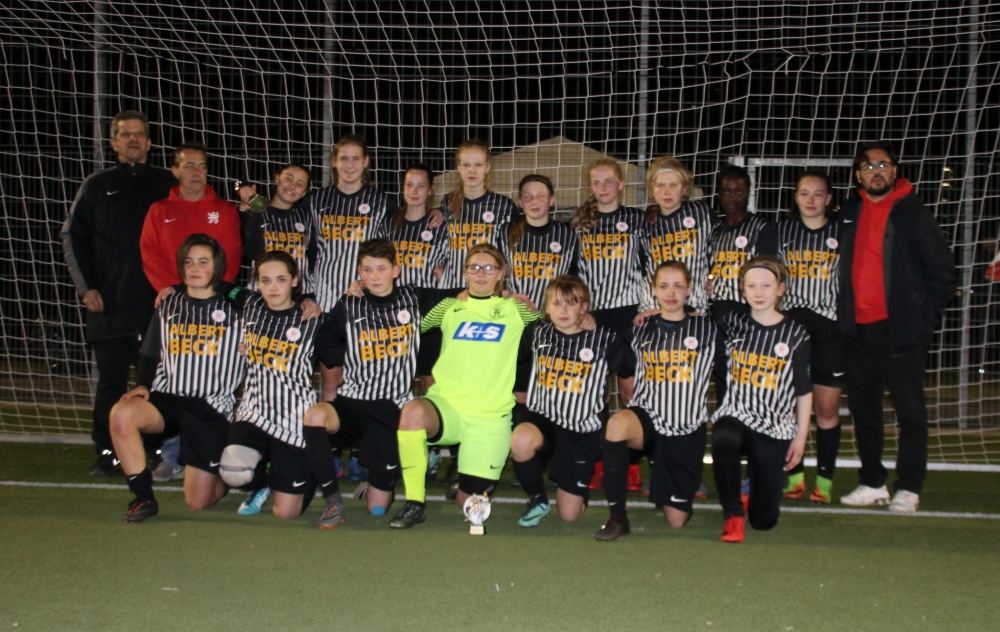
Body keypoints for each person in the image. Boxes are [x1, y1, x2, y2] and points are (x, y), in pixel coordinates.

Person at [301, 239, 458, 529]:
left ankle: (371, 487)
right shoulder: (350, 302)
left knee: (377, 509)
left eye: (382, 269)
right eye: (368, 270)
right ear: (359, 272)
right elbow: (323, 340)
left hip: (391, 408)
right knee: (314, 416)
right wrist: (348, 354)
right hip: (351, 402)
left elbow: (457, 295)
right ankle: (333, 499)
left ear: (396, 270)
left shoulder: (413, 297)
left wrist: (505, 294)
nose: (374, 276)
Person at [837, 142, 957, 512]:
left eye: (882, 164)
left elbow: (943, 273)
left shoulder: (913, 213)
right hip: (859, 331)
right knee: (865, 412)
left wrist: (921, 318)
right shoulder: (850, 211)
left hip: (901, 331)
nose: (876, 171)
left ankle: (909, 486)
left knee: (910, 413)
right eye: (868, 166)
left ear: (894, 170)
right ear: (858, 175)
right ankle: (872, 482)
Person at [389, 244, 542, 529]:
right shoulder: (449, 306)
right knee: (412, 411)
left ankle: (466, 484)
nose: (481, 273)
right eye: (474, 268)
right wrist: (359, 289)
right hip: (448, 407)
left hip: (489, 418)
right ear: (464, 272)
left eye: (489, 268)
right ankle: (414, 504)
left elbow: (554, 327)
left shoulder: (518, 310)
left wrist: (510, 297)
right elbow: (405, 321)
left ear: (502, 273)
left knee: (471, 507)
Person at [61, 110, 177, 476]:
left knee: (157, 382)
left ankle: (157, 449)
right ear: (113, 143)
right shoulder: (97, 185)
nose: (133, 139)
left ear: (150, 142)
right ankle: (108, 451)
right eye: (126, 134)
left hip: (158, 305)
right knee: (110, 381)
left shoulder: (167, 183)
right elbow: (72, 238)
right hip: (109, 302)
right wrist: (87, 288)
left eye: (140, 134)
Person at [109, 234, 245, 523]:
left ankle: (226, 474)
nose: (194, 268)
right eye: (189, 262)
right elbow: (151, 352)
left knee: (198, 502)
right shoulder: (168, 303)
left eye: (203, 262)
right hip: (168, 398)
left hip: (209, 407)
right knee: (121, 413)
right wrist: (143, 384)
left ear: (217, 267)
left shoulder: (238, 308)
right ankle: (143, 496)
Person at [596, 261, 715, 541]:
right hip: (648, 419)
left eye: (678, 286)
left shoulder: (707, 329)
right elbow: (617, 357)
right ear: (654, 290)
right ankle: (617, 517)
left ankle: (669, 482)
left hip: (685, 429)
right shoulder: (641, 327)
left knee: (676, 521)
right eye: (664, 286)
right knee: (616, 424)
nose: (671, 293)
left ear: (689, 289)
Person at [511, 276, 632, 527]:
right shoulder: (537, 333)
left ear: (584, 307)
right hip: (544, 419)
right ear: (546, 308)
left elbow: (629, 366)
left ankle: (576, 488)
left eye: (571, 303)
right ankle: (538, 500)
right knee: (520, 439)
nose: (563, 310)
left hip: (580, 431)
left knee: (569, 515)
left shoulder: (603, 339)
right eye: (556, 303)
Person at [217, 251, 326, 520]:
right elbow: (220, 286)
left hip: (294, 419)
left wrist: (309, 300)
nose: (273, 287)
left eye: (281, 279)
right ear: (257, 283)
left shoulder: (313, 320)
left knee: (286, 513)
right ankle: (264, 483)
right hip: (253, 412)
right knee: (233, 473)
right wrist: (173, 288)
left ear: (295, 280)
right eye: (265, 281)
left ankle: (308, 473)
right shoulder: (250, 303)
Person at [711, 256, 812, 543]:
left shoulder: (795, 334)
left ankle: (751, 487)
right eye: (751, 285)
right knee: (724, 435)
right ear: (741, 289)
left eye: (766, 285)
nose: (758, 292)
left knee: (764, 521)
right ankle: (733, 514)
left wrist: (801, 437)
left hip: (775, 427)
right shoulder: (731, 324)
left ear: (780, 289)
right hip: (738, 416)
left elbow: (804, 391)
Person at [572, 158, 646, 490]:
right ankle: (598, 462)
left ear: (621, 184)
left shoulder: (637, 219)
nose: (602, 187)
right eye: (596, 182)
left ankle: (632, 466)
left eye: (608, 181)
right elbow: (573, 272)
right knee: (593, 394)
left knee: (631, 393)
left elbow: (650, 262)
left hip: (629, 314)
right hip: (594, 317)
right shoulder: (580, 223)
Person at [778, 171, 845, 504]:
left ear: (829, 199)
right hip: (792, 331)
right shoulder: (782, 232)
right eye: (804, 193)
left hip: (830, 330)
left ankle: (825, 481)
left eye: (818, 194)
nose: (811, 200)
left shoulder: (842, 232)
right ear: (796, 196)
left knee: (826, 409)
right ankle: (794, 477)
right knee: (791, 408)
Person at [708, 164, 778, 402]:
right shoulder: (716, 230)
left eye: (738, 191)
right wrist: (710, 280)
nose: (732, 197)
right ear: (719, 194)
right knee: (723, 381)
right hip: (719, 314)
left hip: (748, 315)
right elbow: (712, 268)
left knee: (748, 380)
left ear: (748, 192)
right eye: (727, 191)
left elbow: (770, 274)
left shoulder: (762, 229)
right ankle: (725, 423)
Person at [139, 142, 242, 292]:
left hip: (212, 294)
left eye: (202, 166)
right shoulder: (159, 210)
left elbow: (232, 255)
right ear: (175, 171)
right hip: (173, 294)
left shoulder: (226, 210)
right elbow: (150, 253)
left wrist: (214, 289)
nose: (197, 172)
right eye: (189, 166)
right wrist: (172, 288)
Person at [438, 139, 517, 289]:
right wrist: (440, 267)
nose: (472, 171)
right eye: (466, 165)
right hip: (452, 288)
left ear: (488, 167)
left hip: (487, 290)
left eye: (478, 165)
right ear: (458, 167)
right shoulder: (448, 202)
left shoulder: (504, 206)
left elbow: (513, 251)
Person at [640, 157, 713, 314]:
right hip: (656, 308)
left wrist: (712, 277)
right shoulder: (645, 223)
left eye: (673, 185)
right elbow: (642, 268)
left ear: (685, 188)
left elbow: (718, 251)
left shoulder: (701, 212)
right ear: (651, 189)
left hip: (695, 307)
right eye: (660, 186)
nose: (667, 192)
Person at [498, 174, 580, 309]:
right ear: (520, 202)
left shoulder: (568, 235)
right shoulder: (505, 232)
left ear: (551, 200)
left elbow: (575, 279)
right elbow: (493, 273)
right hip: (513, 312)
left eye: (540, 196)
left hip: (553, 313)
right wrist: (506, 294)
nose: (534, 201)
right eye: (527, 197)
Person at [238, 162, 317, 292]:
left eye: (300, 184)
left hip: (298, 294)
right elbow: (251, 253)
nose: (292, 186)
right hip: (262, 293)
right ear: (277, 178)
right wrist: (255, 210)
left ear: (304, 193)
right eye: (288, 178)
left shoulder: (307, 217)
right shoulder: (253, 212)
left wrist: (309, 295)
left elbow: (313, 257)